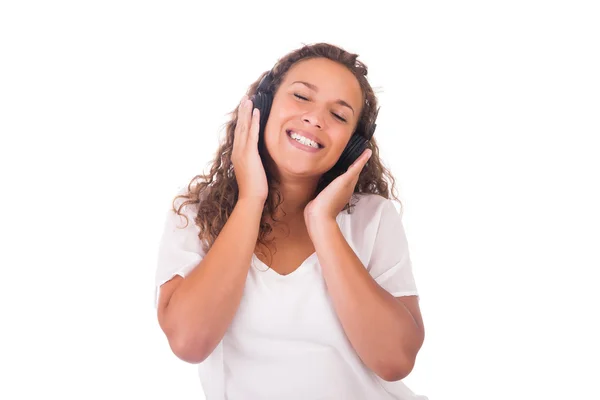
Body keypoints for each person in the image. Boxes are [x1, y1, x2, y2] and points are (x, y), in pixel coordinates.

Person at [154, 42, 428, 400]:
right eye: (302, 97)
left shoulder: (372, 218)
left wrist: (323, 223)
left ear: (352, 145)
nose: (315, 118)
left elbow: (395, 360)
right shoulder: (196, 215)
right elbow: (190, 342)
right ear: (262, 107)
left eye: (340, 116)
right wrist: (252, 198)